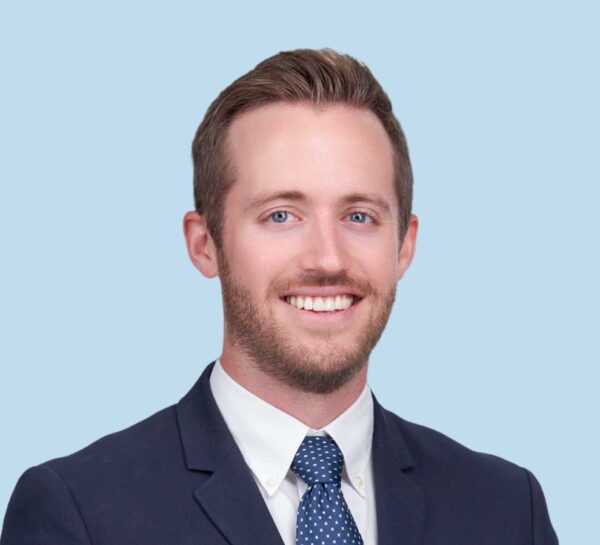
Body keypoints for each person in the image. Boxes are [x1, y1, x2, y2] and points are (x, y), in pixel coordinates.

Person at [0, 48, 558, 545]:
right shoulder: (81, 513)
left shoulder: (508, 509)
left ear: (404, 245)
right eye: (281, 215)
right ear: (205, 245)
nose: (327, 258)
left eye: (359, 216)